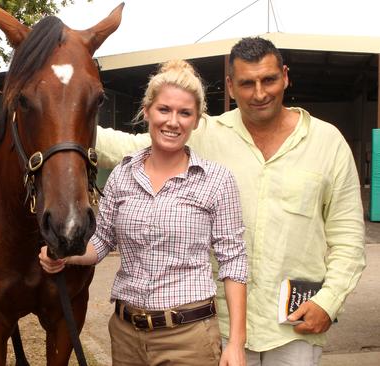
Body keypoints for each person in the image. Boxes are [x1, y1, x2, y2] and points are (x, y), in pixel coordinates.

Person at [94, 37, 366, 365]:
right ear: (230, 87)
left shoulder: (328, 143)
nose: (260, 93)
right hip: (220, 325)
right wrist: (54, 121)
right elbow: (131, 146)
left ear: (286, 76)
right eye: (246, 83)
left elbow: (348, 239)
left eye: (269, 79)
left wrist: (329, 300)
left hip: (295, 325)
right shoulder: (207, 132)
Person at [40, 60, 248, 366]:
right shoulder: (123, 175)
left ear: (196, 121)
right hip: (126, 336)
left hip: (188, 339)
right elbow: (100, 243)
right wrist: (63, 254)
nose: (173, 121)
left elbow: (234, 263)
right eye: (164, 109)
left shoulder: (217, 181)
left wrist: (236, 343)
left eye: (185, 113)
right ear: (147, 110)